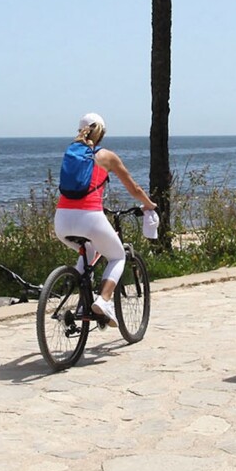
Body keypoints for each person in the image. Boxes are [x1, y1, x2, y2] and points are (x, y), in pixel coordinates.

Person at [55, 113, 157, 329]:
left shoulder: (72, 153)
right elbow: (134, 189)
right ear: (102, 133)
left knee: (89, 254)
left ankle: (83, 304)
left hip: (61, 219)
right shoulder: (106, 156)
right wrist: (149, 205)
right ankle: (104, 300)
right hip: (89, 218)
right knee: (118, 256)